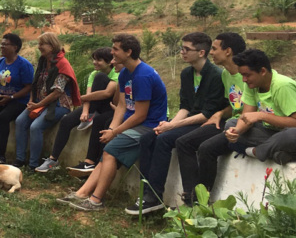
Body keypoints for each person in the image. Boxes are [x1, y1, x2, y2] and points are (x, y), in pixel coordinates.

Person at [126, 32, 225, 215]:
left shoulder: (216, 75)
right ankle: (146, 192)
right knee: (149, 137)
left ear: (201, 52)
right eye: (182, 48)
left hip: (206, 123)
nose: (182, 52)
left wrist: (172, 126)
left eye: (186, 49)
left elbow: (206, 114)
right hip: (189, 120)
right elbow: (185, 107)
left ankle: (154, 197)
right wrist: (168, 124)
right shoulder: (187, 74)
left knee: (165, 139)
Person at [66, 34, 167, 212]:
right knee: (108, 151)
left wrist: (115, 132)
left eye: (115, 49)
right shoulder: (125, 73)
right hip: (133, 123)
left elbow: (140, 115)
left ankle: (96, 200)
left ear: (128, 52)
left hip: (149, 126)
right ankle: (82, 194)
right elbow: (122, 105)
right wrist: (112, 128)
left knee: (110, 151)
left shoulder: (143, 75)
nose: (112, 52)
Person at [191, 49, 296, 201]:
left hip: (288, 134)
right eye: (242, 75)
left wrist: (262, 115)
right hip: (270, 134)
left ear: (263, 71)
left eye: (247, 75)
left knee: (291, 135)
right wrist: (236, 131)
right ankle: (275, 152)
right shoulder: (252, 85)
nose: (244, 80)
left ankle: (258, 151)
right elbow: (246, 117)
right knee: (231, 123)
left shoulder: (282, 86)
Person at [175, 32, 246, 205]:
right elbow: (235, 104)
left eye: (214, 49)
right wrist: (221, 113)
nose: (211, 52)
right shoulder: (226, 75)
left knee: (207, 148)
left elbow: (252, 107)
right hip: (230, 121)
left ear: (228, 51)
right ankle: (191, 197)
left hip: (245, 125)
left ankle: (200, 201)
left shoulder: (247, 75)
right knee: (184, 142)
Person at [38, 47, 121, 174]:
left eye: (99, 60)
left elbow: (107, 93)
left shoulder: (116, 73)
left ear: (109, 62)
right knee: (66, 121)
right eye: (94, 59)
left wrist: (82, 98)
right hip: (94, 107)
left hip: (109, 107)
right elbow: (89, 96)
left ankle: (92, 162)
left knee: (101, 78)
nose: (94, 62)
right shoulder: (93, 74)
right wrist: (85, 112)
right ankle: (53, 159)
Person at [14, 32, 81, 169]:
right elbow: (35, 83)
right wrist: (32, 101)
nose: (39, 47)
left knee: (36, 127)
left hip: (58, 105)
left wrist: (38, 104)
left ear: (51, 46)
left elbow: (57, 92)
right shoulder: (44, 61)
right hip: (40, 103)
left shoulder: (63, 64)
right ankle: (19, 159)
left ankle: (33, 164)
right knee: (20, 121)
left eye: (41, 44)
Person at [0, 33, 34, 165]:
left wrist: (11, 97)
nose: (2, 46)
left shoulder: (23, 65)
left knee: (4, 117)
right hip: (1, 98)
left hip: (18, 101)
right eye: (1, 44)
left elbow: (29, 86)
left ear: (15, 47)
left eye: (5, 44)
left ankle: (0, 156)